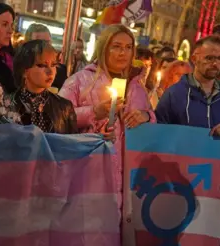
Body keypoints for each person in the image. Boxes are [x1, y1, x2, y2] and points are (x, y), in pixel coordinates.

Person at [59, 24, 155, 208]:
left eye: (128, 47)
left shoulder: (137, 87)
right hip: (89, 174)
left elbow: (152, 125)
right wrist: (94, 113)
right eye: (117, 46)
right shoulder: (79, 81)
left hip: (130, 178)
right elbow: (61, 118)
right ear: (104, 48)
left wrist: (146, 116)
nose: (123, 53)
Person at [155, 36, 220, 137]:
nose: (215, 63)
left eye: (219, 58)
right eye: (209, 58)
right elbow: (159, 131)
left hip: (217, 153)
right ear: (194, 59)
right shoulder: (174, 94)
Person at [11, 40, 77, 134]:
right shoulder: (7, 105)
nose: (50, 71)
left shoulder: (64, 107)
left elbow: (72, 144)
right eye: (42, 65)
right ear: (24, 71)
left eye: (54, 65)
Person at [24, 23, 68, 89]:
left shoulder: (60, 71)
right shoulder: (20, 68)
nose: (45, 47)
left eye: (47, 42)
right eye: (39, 43)